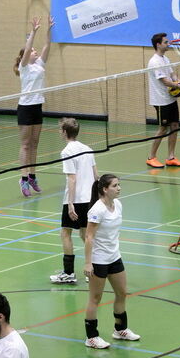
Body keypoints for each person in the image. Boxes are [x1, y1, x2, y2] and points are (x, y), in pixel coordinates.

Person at [83, 174, 141, 349]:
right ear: (104, 189)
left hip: (114, 257)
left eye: (119, 185)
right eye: (115, 186)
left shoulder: (118, 205)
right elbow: (89, 236)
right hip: (99, 260)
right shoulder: (96, 210)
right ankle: (91, 337)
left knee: (122, 292)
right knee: (95, 298)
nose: (119, 188)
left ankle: (120, 329)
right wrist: (88, 262)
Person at [50, 117, 99, 284]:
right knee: (86, 234)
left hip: (76, 199)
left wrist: (70, 204)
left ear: (64, 132)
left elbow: (72, 178)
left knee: (65, 233)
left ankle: (69, 273)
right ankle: (95, 268)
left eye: (60, 130)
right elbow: (96, 176)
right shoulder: (88, 149)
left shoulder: (67, 151)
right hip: (90, 199)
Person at [14, 15, 54, 197]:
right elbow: (28, 46)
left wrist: (48, 29)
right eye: (32, 51)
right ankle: (22, 179)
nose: (35, 51)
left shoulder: (39, 65)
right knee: (25, 144)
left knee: (35, 144)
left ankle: (32, 176)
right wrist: (34, 31)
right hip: (25, 108)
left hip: (37, 106)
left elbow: (47, 46)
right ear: (24, 56)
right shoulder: (24, 67)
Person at [146, 33, 180, 169]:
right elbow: (165, 81)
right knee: (163, 129)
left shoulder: (165, 59)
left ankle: (171, 157)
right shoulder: (154, 61)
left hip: (170, 99)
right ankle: (151, 157)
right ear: (158, 44)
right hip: (160, 101)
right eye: (165, 42)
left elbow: (172, 76)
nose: (168, 44)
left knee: (175, 126)